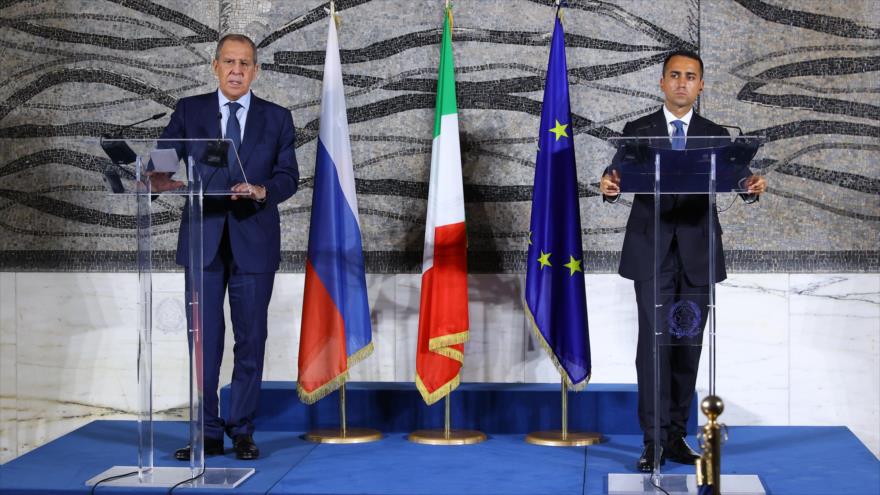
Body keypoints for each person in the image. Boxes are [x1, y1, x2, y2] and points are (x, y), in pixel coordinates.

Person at [599, 50, 766, 473]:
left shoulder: (715, 134)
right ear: (661, 82)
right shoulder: (638, 130)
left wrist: (750, 185)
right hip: (651, 252)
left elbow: (737, 179)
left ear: (701, 85)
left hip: (697, 254)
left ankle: (676, 436)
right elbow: (616, 175)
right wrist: (610, 184)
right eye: (674, 75)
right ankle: (652, 441)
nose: (681, 83)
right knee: (653, 349)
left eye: (690, 76)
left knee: (687, 347)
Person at [150, 33, 299, 460]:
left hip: (255, 241)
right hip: (203, 242)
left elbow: (289, 176)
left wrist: (261, 189)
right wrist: (155, 178)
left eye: (245, 64)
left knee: (250, 341)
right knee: (205, 342)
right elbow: (164, 157)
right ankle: (207, 431)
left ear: (255, 70)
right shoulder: (190, 111)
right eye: (229, 62)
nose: (236, 70)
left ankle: (243, 430)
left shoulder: (277, 118)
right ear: (215, 66)